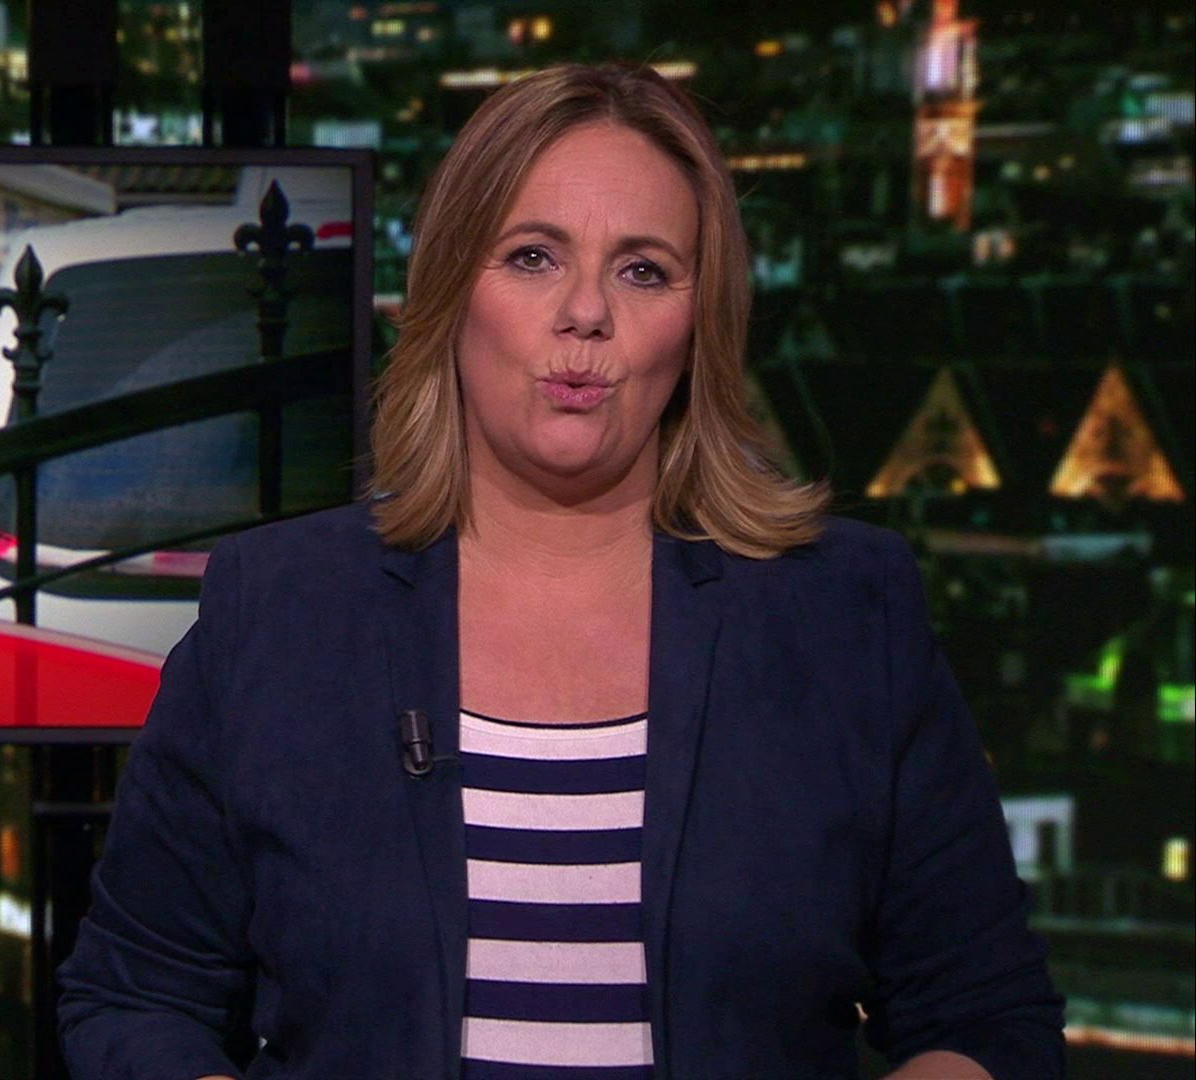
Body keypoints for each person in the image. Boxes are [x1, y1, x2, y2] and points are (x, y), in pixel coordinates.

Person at [56, 62, 1064, 1080]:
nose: (586, 313)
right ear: (450, 293)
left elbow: (987, 1019)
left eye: (643, 271)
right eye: (533, 257)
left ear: (700, 324)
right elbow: (135, 997)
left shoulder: (845, 615)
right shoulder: (278, 611)